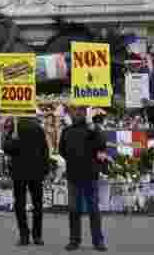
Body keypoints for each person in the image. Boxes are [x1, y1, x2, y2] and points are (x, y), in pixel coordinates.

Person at [58, 106, 108, 252]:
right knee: (74, 210)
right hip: (74, 176)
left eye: (80, 111)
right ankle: (74, 240)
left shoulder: (93, 129)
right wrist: (74, 160)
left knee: (93, 210)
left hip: (90, 176)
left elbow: (102, 144)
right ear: (72, 114)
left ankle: (98, 241)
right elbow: (62, 150)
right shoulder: (67, 131)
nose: (77, 114)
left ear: (85, 114)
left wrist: (93, 128)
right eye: (75, 111)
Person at [3, 115, 50, 246]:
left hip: (19, 172)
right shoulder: (38, 128)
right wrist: (45, 170)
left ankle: (24, 235)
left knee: (20, 205)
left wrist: (10, 137)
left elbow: (6, 147)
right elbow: (45, 150)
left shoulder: (14, 128)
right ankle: (37, 236)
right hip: (35, 172)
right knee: (37, 205)